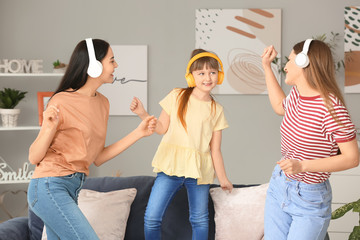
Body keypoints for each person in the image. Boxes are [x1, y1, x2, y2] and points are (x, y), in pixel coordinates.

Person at [27, 38, 156, 240]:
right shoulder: (61, 100)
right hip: (49, 186)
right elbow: (34, 157)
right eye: (112, 61)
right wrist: (48, 127)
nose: (116, 65)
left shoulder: (103, 103)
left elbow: (99, 157)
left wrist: (139, 132)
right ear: (94, 66)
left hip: (73, 187)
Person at [130, 49, 233, 240]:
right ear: (192, 76)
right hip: (171, 165)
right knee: (152, 218)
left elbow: (215, 149)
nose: (207, 77)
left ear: (218, 75)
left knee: (200, 220)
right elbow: (160, 128)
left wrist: (223, 178)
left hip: (200, 171)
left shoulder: (216, 109)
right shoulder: (177, 96)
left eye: (212, 72)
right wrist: (143, 114)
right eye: (201, 73)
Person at [261, 39, 359, 240]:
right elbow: (280, 107)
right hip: (280, 185)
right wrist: (266, 67)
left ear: (304, 62)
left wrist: (302, 166)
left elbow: (352, 158)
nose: (286, 66)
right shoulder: (297, 94)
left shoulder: (331, 108)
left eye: (290, 61)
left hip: (310, 197)